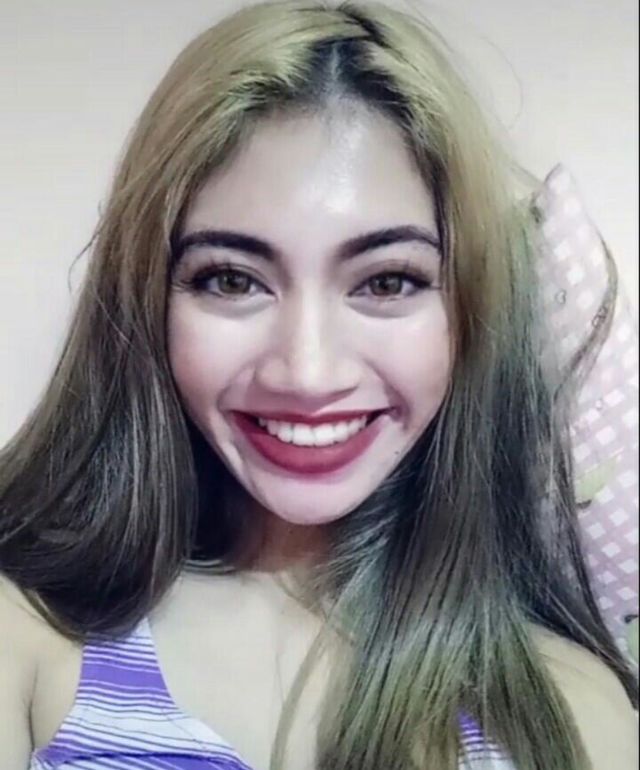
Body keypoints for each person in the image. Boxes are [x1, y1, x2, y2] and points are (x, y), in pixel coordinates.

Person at [0, 1, 637, 769]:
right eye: (231, 279)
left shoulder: (572, 713)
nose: (306, 373)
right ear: (149, 301)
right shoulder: (26, 632)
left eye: (388, 281)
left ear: (469, 310)